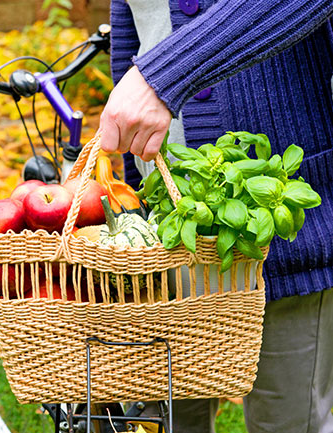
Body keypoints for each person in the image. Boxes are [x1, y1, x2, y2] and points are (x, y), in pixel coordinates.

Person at [99, 1, 333, 432]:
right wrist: (136, 196)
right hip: (169, 230)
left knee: (288, 421)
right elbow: (131, 36)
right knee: (172, 421)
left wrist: (166, 74)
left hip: (280, 221)